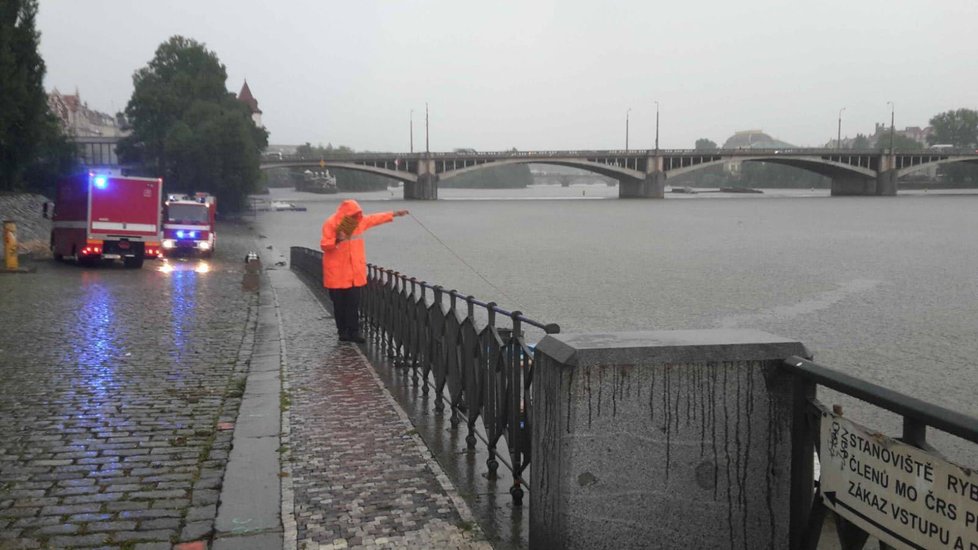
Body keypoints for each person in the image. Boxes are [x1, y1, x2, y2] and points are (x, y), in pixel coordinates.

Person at [320, 199, 408, 343]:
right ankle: (342, 332)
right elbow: (324, 245)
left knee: (353, 304)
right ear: (345, 214)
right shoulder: (331, 223)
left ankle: (354, 332)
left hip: (354, 273)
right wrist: (337, 240)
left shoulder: (359, 222)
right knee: (339, 305)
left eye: (357, 214)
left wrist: (395, 214)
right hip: (337, 274)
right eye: (352, 215)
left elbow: (375, 218)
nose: (355, 218)